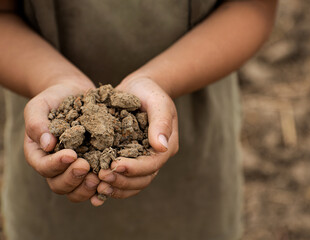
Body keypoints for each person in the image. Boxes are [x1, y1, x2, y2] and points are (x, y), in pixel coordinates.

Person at [0, 0, 277, 239]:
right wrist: (53, 79)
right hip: (51, 208)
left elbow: (252, 7)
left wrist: (159, 79)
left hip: (194, 170)